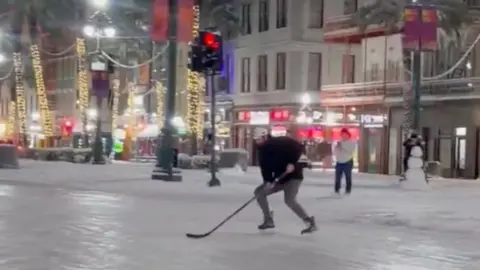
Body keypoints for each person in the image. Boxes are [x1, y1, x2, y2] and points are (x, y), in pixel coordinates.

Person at [253, 128, 317, 234]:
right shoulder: (261, 151)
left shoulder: (282, 141)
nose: (257, 142)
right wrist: (267, 181)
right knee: (259, 192)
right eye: (256, 140)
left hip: (293, 176)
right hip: (279, 179)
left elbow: (300, 148)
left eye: (259, 139)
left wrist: (292, 163)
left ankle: (309, 222)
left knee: (289, 200)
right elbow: (265, 168)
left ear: (265, 136)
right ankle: (268, 219)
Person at [333, 128, 356, 195]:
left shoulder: (351, 142)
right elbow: (335, 152)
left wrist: (342, 146)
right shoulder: (339, 142)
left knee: (348, 177)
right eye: (342, 134)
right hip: (339, 162)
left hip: (347, 161)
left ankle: (348, 190)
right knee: (337, 177)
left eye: (345, 134)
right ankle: (337, 189)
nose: (343, 136)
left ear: (348, 135)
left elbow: (350, 150)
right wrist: (337, 147)